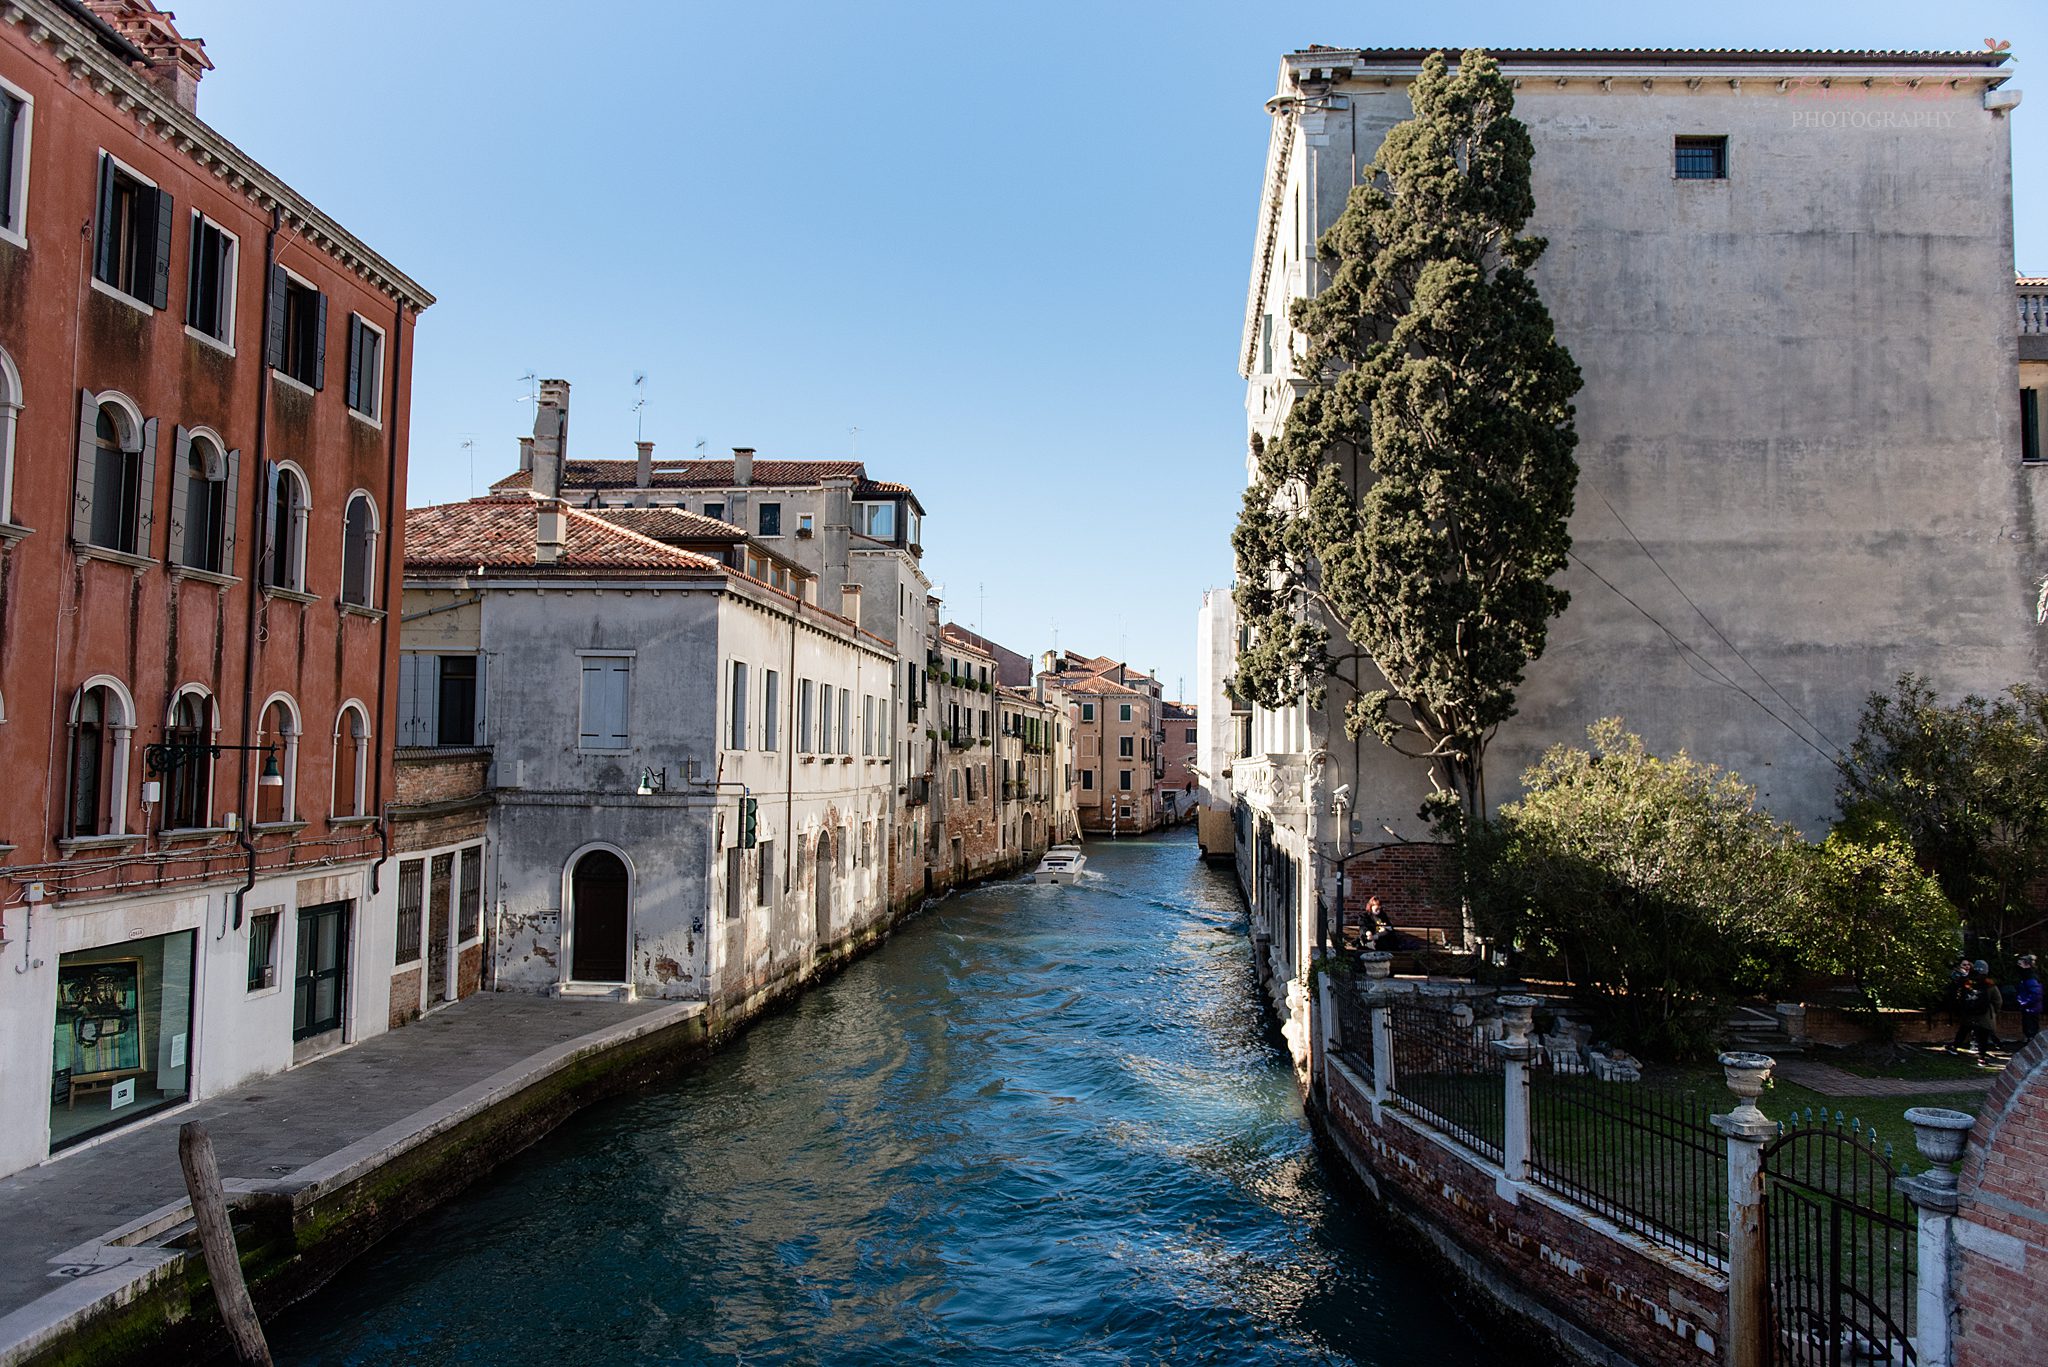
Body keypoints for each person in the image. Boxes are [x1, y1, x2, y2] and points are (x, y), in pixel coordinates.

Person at [1968, 960, 2004, 1063]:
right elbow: (1998, 1000)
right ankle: (1981, 1057)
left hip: (1970, 1013)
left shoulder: (1969, 982)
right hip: (1985, 1014)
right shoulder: (1990, 984)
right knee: (1984, 1035)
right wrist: (1994, 1011)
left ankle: (1973, 1046)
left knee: (1973, 1031)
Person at [1946, 957, 1977, 1053]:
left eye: (1968, 965)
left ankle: (1972, 1045)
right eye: (1964, 965)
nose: (1967, 967)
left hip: (1971, 1004)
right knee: (1967, 1025)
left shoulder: (1973, 976)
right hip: (1962, 1004)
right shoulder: (1957, 975)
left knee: (1970, 1025)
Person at [2015, 954, 2042, 1045]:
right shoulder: (2027, 977)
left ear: (2027, 965)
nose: (2019, 966)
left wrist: (2023, 1002)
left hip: (2031, 1009)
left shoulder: (2030, 978)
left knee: (2031, 1031)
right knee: (2028, 1029)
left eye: (2020, 964)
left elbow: (2036, 995)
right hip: (2029, 1008)